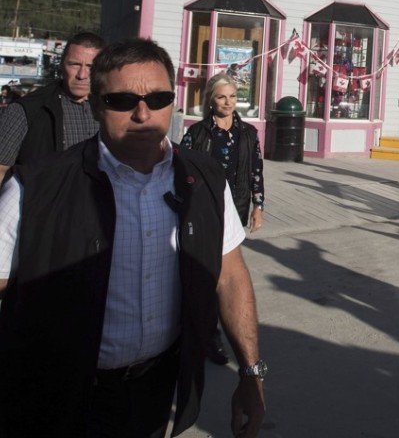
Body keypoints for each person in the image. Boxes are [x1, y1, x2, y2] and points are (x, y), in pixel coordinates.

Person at [0, 38, 267, 438]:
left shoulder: (205, 179)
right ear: (95, 106)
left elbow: (230, 276)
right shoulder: (34, 187)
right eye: (122, 100)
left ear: (173, 103)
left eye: (158, 98)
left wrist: (250, 372)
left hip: (156, 393)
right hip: (59, 398)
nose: (143, 113)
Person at [0, 31, 103, 181]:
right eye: (74, 64)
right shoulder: (26, 110)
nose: (82, 75)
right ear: (62, 65)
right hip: (42, 201)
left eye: (90, 67)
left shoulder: (114, 108)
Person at [182, 72, 266, 230]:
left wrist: (258, 207)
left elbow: (256, 172)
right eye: (221, 97)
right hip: (204, 208)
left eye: (232, 96)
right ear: (211, 100)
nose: (228, 102)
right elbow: (181, 170)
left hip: (237, 207)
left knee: (230, 253)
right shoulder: (196, 133)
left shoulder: (248, 133)